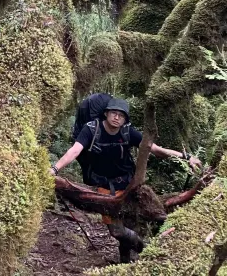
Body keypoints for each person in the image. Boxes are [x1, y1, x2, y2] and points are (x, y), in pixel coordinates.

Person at [50, 97, 202, 263]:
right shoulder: (92, 130)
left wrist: (186, 157)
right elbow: (74, 151)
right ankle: (146, 250)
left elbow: (156, 150)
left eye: (121, 115)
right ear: (106, 114)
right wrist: (55, 169)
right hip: (104, 189)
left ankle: (126, 262)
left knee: (140, 220)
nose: (117, 117)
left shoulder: (128, 132)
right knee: (117, 231)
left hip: (130, 186)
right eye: (114, 113)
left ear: (125, 119)